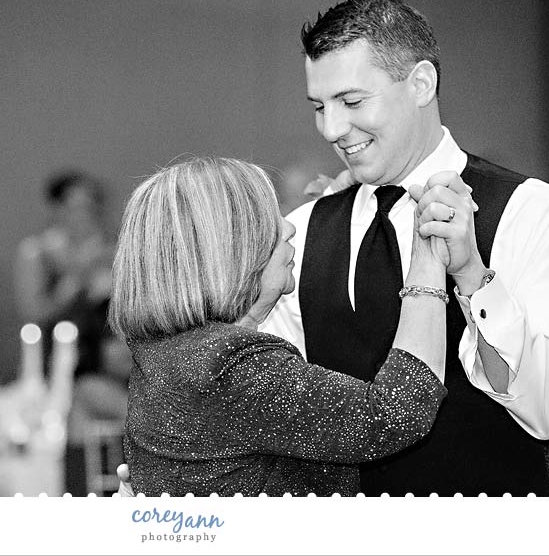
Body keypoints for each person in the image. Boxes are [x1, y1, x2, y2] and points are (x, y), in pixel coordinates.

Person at [261, 0, 549, 496]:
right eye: (319, 107)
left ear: (421, 83)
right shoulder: (302, 231)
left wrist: (474, 278)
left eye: (352, 102)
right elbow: (281, 413)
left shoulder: (533, 211)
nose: (332, 129)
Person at [110, 155, 452, 496]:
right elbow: (394, 414)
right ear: (231, 247)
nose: (290, 228)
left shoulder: (166, 353)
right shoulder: (228, 364)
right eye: (269, 221)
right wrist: (428, 258)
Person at [13, 172, 129, 495]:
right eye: (73, 206)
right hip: (56, 355)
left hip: (107, 354)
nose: (82, 215)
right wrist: (76, 277)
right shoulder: (38, 252)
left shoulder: (113, 248)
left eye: (89, 206)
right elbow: (32, 312)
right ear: (56, 209)